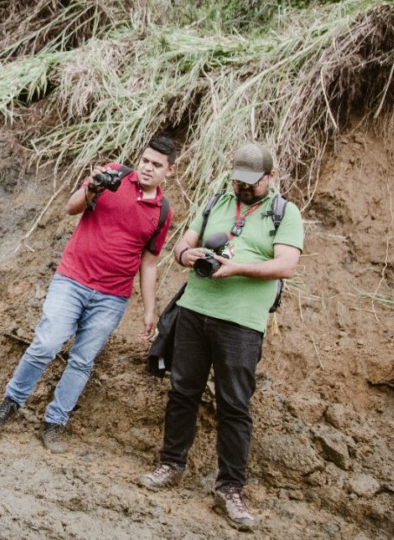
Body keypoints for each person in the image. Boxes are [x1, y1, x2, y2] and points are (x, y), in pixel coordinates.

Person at [139, 142, 304, 531]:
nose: (243, 188)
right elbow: (182, 244)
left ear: (270, 178)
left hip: (242, 323)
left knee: (234, 405)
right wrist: (186, 257)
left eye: (251, 183)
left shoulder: (285, 213)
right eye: (238, 181)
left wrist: (237, 268)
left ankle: (230, 488)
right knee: (183, 392)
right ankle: (171, 464)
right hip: (195, 312)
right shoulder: (216, 201)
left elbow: (287, 265)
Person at [0, 138, 176, 453]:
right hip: (72, 279)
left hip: (112, 296)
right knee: (46, 343)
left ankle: (54, 422)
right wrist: (94, 188)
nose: (147, 167)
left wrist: (148, 309)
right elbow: (71, 207)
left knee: (82, 360)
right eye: (145, 160)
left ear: (169, 170)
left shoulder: (162, 212)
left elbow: (150, 261)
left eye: (156, 165)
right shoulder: (114, 174)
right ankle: (11, 402)